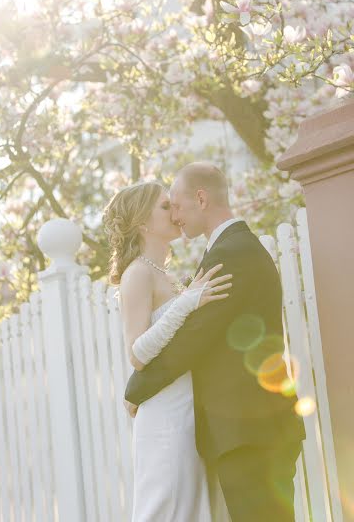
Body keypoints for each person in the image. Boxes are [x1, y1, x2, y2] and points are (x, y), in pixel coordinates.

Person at [124, 162, 306, 522]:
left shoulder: (232, 252)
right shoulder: (229, 248)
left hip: (250, 429)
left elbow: (196, 336)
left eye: (176, 205)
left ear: (201, 199)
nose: (176, 216)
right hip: (246, 429)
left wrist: (138, 388)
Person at [103, 180, 232, 521]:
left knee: (192, 511)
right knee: (164, 509)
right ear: (143, 222)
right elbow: (137, 353)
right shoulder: (138, 275)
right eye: (165, 206)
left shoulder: (166, 275)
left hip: (187, 410)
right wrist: (187, 302)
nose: (175, 213)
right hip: (165, 417)